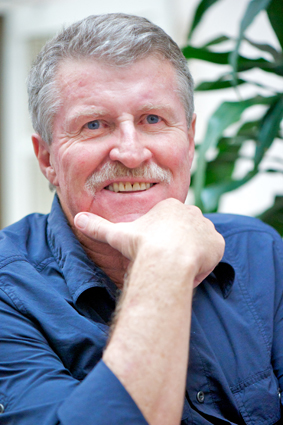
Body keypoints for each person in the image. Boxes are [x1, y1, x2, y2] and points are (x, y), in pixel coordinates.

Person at [0, 13, 282, 425]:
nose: (131, 154)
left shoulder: (262, 253)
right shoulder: (10, 292)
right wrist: (163, 263)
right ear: (47, 159)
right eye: (94, 125)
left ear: (189, 140)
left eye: (153, 120)